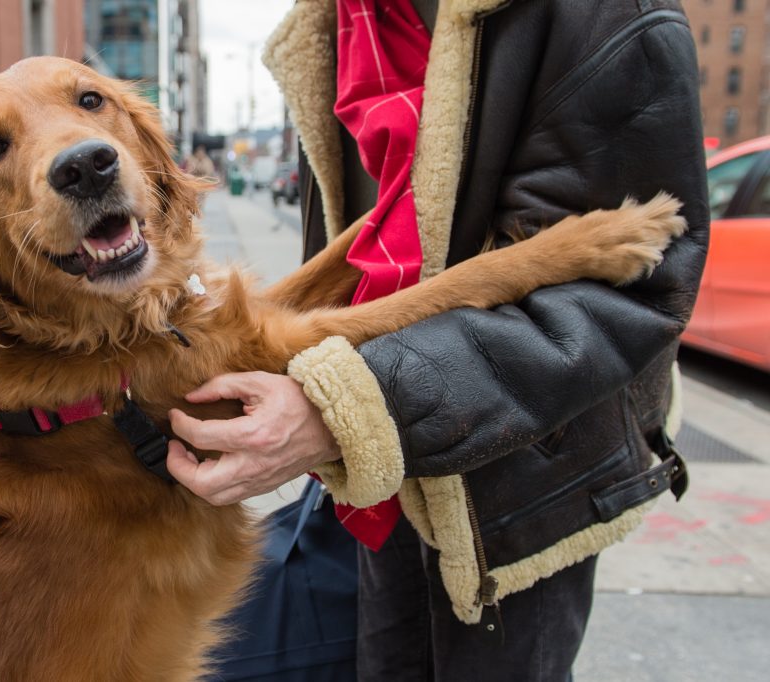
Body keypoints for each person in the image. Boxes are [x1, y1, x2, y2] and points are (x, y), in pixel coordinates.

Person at [166, 1, 708, 680]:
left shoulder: (604, 12)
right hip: (380, 473)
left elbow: (628, 288)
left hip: (523, 480)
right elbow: (364, 257)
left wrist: (343, 413)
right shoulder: (332, 27)